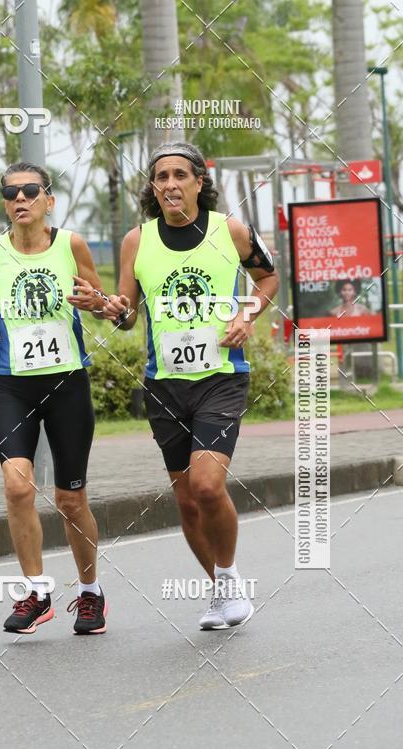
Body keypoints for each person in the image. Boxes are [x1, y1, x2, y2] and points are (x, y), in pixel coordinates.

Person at [69, 141, 279, 630]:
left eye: (179, 175)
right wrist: (105, 306)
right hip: (164, 385)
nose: (168, 184)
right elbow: (126, 310)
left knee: (207, 485)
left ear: (199, 183)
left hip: (222, 377)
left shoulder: (230, 230)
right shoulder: (136, 242)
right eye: (160, 177)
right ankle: (224, 591)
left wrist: (247, 316)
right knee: (185, 499)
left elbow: (268, 278)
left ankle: (226, 580)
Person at [0, 162, 107, 636]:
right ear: (5, 202)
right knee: (16, 486)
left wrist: (97, 301)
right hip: (11, 382)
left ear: (49, 199)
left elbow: (101, 298)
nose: (20, 199)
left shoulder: (71, 245)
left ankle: (90, 594)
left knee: (70, 499)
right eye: (11, 193)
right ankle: (37, 591)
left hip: (67, 381)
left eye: (30, 191)